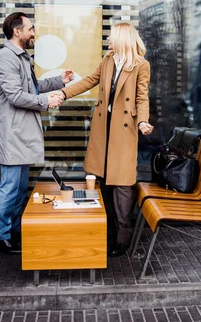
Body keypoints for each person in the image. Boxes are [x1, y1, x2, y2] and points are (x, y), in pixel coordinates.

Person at [58, 22, 154, 257]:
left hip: (124, 129)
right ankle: (109, 229)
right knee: (103, 179)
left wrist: (142, 121)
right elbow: (89, 81)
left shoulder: (141, 65)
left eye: (111, 37)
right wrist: (63, 93)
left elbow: (142, 97)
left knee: (122, 183)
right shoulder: (108, 59)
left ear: (122, 38)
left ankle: (123, 236)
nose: (108, 40)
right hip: (104, 127)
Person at [0, 12, 74, 254]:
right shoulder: (6, 58)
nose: (33, 33)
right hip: (12, 135)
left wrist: (59, 80)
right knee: (9, 187)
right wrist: (46, 101)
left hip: (21, 135)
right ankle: (1, 237)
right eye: (30, 28)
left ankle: (14, 231)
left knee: (18, 188)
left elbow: (33, 88)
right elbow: (16, 96)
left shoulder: (21, 57)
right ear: (17, 31)